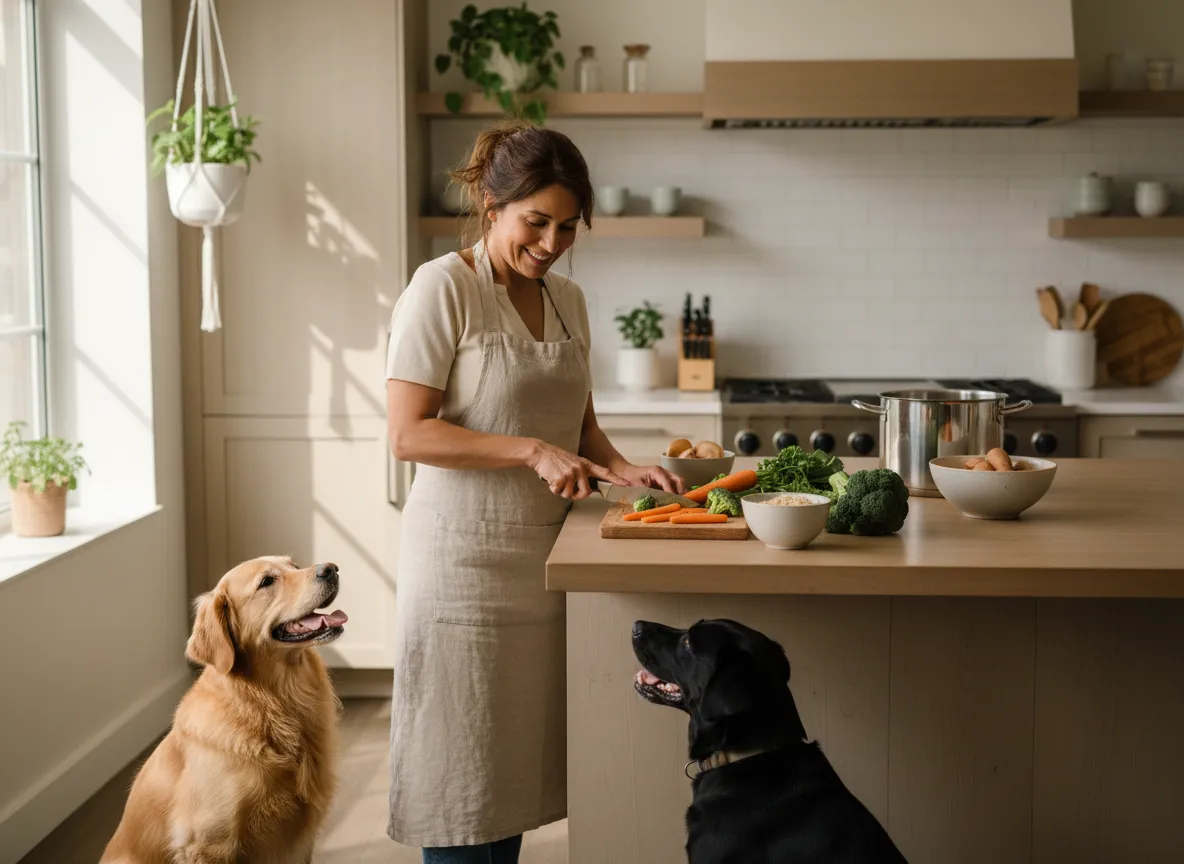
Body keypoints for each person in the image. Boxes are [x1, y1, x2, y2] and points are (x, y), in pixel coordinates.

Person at [383, 119, 684, 864]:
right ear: (492, 208)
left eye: (567, 226)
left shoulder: (569, 302)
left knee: (510, 780)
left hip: (544, 574)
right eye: (535, 222)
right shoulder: (441, 288)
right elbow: (409, 435)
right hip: (461, 577)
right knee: (463, 790)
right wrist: (528, 451)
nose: (551, 242)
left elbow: (579, 427)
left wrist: (623, 467)